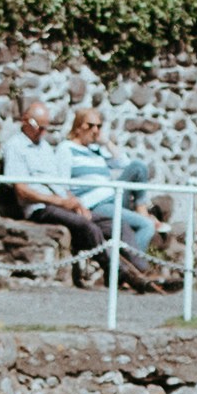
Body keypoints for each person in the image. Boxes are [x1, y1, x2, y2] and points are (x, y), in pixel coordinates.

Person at [63, 100, 169, 291]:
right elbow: (62, 181)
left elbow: (123, 163)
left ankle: (141, 210)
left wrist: (106, 142)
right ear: (78, 127)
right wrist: (76, 205)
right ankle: (137, 272)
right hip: (95, 202)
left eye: (99, 126)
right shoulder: (67, 149)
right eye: (90, 126)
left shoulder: (96, 151)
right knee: (145, 225)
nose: (95, 130)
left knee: (138, 167)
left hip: (113, 196)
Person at [0, 96, 111, 269]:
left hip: (60, 203)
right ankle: (118, 272)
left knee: (112, 224)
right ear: (26, 122)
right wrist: (59, 201)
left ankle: (141, 269)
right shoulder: (16, 146)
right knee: (88, 227)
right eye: (39, 127)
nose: (42, 132)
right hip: (40, 208)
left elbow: (59, 183)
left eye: (45, 128)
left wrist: (76, 203)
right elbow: (22, 190)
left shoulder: (45, 147)